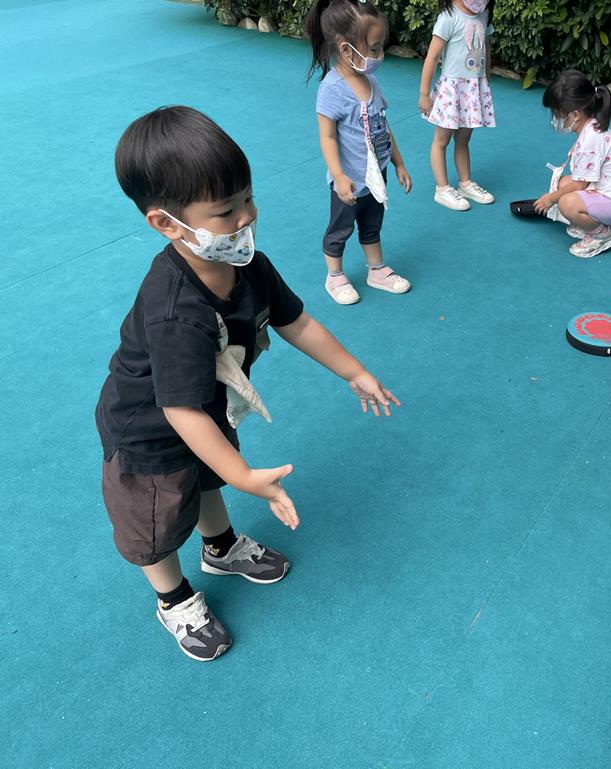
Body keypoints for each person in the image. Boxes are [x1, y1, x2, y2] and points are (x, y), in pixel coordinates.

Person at [96, 106, 400, 661]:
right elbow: (180, 411)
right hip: (150, 432)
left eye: (248, 199)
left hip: (208, 407)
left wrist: (353, 370)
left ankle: (220, 547)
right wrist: (245, 476)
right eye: (226, 211)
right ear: (167, 223)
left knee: (208, 479)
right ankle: (173, 598)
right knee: (157, 523)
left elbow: (295, 321)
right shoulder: (176, 311)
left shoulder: (248, 264)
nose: (246, 217)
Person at [307, 0, 413, 305]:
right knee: (340, 228)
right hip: (349, 181)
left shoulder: (371, 81)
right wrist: (338, 176)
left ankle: (376, 270)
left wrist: (399, 163)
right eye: (375, 49)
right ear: (346, 49)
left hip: (376, 174)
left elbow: (383, 126)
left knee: (371, 224)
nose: (380, 56)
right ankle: (334, 275)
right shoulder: (332, 89)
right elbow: (327, 137)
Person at [535, 69, 611, 258]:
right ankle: (588, 222)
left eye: (557, 113)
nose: (555, 119)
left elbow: (579, 185)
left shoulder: (590, 141)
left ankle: (602, 235)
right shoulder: (591, 127)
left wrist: (550, 198)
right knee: (563, 183)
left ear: (575, 115)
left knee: (566, 203)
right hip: (610, 190)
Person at [419, 0, 497, 211]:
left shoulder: (483, 15)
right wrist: (424, 94)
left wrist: (485, 76)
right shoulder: (448, 18)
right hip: (452, 91)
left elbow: (485, 47)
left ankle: (465, 183)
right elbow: (432, 58)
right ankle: (442, 189)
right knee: (441, 141)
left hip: (472, 90)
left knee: (463, 139)